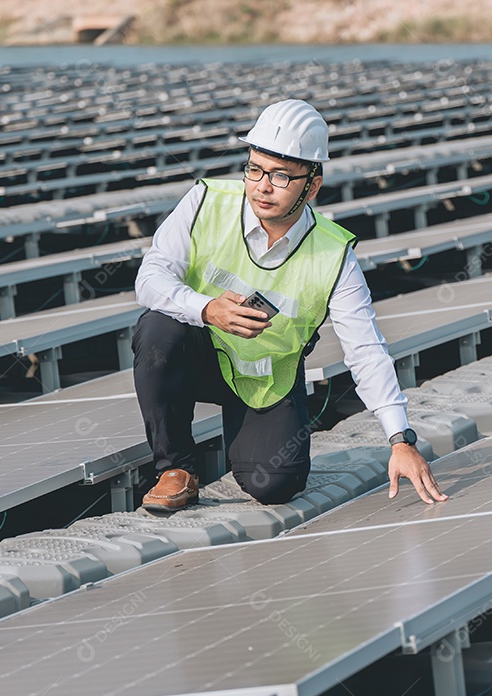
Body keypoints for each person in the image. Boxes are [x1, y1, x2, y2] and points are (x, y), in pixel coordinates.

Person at [132, 98, 447, 512]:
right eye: (255, 169)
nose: (262, 186)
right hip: (198, 357)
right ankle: (177, 468)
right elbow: (149, 278)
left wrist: (400, 439)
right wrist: (207, 309)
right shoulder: (205, 201)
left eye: (281, 175)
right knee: (158, 328)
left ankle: (253, 432)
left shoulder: (333, 254)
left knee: (274, 486)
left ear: (311, 185)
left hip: (264, 377)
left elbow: (365, 349)